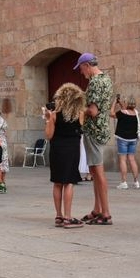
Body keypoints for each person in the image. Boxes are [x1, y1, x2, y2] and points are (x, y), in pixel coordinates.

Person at [75, 52, 113, 225]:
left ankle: (105, 212)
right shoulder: (106, 79)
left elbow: (93, 111)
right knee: (94, 172)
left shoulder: (96, 82)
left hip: (94, 129)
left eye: (81, 69)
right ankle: (97, 209)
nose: (81, 72)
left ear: (87, 65)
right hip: (101, 128)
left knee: (97, 171)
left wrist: (77, 110)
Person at [44, 83, 84, 228]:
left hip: (56, 149)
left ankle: (59, 216)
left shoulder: (54, 114)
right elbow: (81, 129)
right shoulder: (79, 114)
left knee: (57, 182)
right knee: (69, 182)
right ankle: (68, 216)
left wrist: (48, 119)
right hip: (72, 149)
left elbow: (48, 135)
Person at [112, 95, 140, 189]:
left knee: (123, 160)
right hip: (133, 139)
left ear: (127, 103)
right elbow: (126, 110)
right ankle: (136, 182)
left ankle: (124, 182)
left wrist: (114, 102)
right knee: (132, 160)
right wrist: (121, 103)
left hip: (122, 139)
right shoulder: (136, 113)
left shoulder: (122, 113)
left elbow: (112, 113)